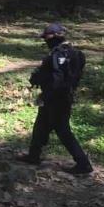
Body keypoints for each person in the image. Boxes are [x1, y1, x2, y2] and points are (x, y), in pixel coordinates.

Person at [17, 23, 92, 175]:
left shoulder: (59, 54)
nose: (45, 40)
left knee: (63, 131)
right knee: (41, 125)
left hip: (57, 98)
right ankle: (33, 156)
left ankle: (83, 164)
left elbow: (57, 79)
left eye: (46, 37)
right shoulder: (74, 53)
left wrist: (46, 94)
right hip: (60, 96)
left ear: (53, 37)